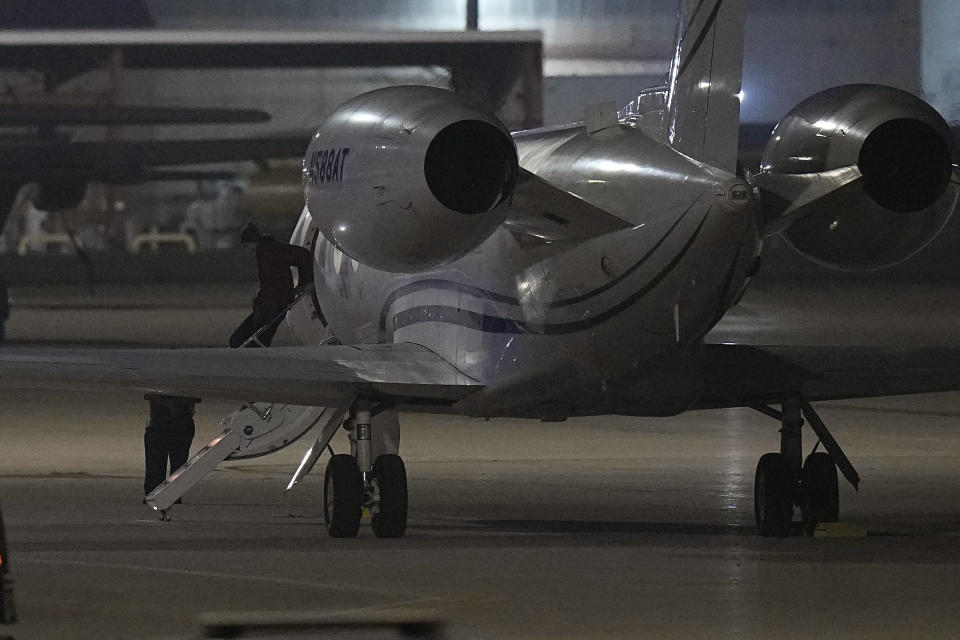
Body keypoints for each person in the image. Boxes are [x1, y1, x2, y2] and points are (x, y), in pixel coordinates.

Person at [229, 222, 314, 348]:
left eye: (247, 246)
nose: (247, 250)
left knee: (249, 339)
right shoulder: (263, 253)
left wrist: (306, 282)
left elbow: (303, 255)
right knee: (241, 339)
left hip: (275, 305)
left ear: (254, 242)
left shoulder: (273, 251)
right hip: (267, 305)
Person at [143, 395, 199, 499]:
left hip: (163, 416)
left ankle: (155, 493)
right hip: (180, 417)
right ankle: (172, 494)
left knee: (156, 460)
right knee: (178, 461)